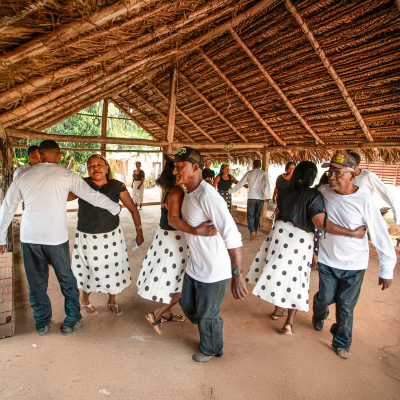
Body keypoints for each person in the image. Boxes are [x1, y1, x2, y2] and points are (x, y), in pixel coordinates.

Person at [0, 140, 121, 336]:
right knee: (66, 280)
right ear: (59, 155)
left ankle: (42, 323)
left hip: (30, 238)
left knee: (36, 283)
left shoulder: (23, 176)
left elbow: (7, 207)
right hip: (56, 238)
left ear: (39, 154)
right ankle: (73, 320)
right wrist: (114, 208)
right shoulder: (67, 175)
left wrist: (0, 238)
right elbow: (92, 196)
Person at [246, 161, 366, 334]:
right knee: (296, 277)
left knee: (280, 272)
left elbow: (279, 213)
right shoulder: (313, 195)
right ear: (311, 176)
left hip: (279, 234)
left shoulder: (285, 189)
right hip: (300, 240)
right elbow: (321, 223)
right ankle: (289, 323)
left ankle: (278, 310)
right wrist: (351, 233)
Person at [313, 153, 396, 359]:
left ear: (352, 174)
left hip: (354, 264)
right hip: (327, 260)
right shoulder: (323, 191)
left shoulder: (365, 200)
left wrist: (386, 269)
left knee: (346, 306)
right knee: (324, 298)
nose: (331, 177)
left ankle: (342, 341)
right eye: (330, 172)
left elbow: (380, 234)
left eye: (337, 173)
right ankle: (319, 313)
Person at [173, 146, 248, 363]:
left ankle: (212, 348)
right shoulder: (191, 192)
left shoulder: (208, 195)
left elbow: (231, 233)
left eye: (180, 167)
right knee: (187, 305)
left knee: (208, 315)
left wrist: (237, 273)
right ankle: (210, 329)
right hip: (196, 266)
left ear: (195, 167)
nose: (175, 171)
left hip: (215, 269)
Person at [137, 155, 217, 334]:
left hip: (168, 237)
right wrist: (196, 231)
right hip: (175, 239)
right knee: (183, 281)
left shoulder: (170, 188)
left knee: (174, 278)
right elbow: (173, 220)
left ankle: (166, 313)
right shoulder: (177, 191)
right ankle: (157, 313)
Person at [69, 155, 144, 317]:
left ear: (107, 167)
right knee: (89, 269)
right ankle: (85, 300)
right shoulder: (83, 184)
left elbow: (133, 209)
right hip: (87, 237)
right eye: (91, 166)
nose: (95, 168)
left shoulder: (116, 186)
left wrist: (139, 232)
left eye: (99, 165)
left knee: (113, 268)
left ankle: (112, 301)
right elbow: (63, 197)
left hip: (111, 237)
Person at [349, 152, 400, 225]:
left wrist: (396, 214)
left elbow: (385, 193)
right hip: (350, 213)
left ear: (355, 163)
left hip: (365, 213)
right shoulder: (345, 176)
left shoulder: (368, 176)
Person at [229, 159, 270, 240]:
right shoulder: (263, 173)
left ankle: (252, 231)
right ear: (260, 166)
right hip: (260, 198)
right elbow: (267, 184)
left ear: (253, 165)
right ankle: (255, 230)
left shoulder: (249, 173)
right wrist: (267, 196)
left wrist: (231, 191)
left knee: (250, 215)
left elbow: (240, 183)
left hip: (251, 197)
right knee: (257, 215)